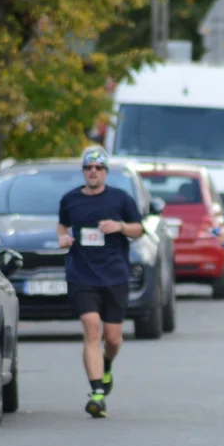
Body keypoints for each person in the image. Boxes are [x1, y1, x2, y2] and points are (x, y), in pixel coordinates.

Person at [56, 146, 145, 418]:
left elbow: (139, 229)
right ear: (83, 171)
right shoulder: (70, 200)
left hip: (114, 274)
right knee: (92, 328)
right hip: (81, 274)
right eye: (88, 168)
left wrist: (120, 227)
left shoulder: (120, 199)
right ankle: (96, 394)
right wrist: (62, 237)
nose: (93, 172)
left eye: (98, 168)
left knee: (113, 338)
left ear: (105, 172)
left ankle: (106, 365)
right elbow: (62, 225)